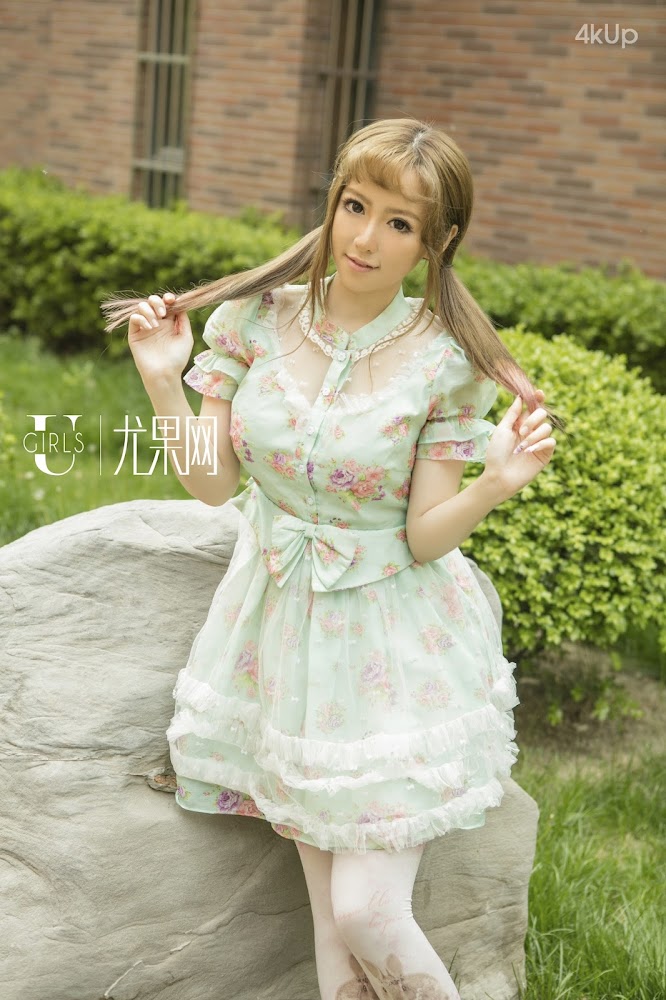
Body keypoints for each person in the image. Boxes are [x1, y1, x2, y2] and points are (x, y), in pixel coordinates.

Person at [101, 118, 560, 1000]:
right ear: (334, 202)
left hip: (394, 642)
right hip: (281, 636)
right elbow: (214, 484)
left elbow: (423, 536)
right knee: (332, 928)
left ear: (435, 243)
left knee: (366, 912)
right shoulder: (255, 321)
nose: (366, 237)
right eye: (356, 206)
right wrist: (162, 378)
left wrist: (496, 482)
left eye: (399, 222)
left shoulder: (442, 360)